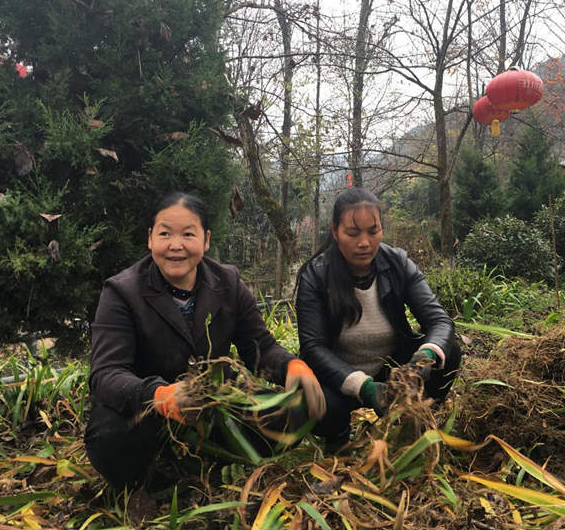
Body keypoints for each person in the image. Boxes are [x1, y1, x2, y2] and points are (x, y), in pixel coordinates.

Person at [85, 192, 326, 491]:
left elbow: (259, 346)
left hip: (213, 407)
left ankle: (207, 459)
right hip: (147, 411)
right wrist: (159, 395)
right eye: (164, 234)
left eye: (188, 234)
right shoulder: (121, 292)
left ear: (206, 239)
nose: (176, 245)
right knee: (110, 441)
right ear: (150, 239)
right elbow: (106, 374)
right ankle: (154, 476)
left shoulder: (228, 282)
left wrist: (292, 364)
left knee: (294, 410)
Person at [295, 187, 460, 442]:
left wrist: (425, 358)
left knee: (449, 353)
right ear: (335, 231)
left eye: (373, 232)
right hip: (338, 379)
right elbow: (313, 347)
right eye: (352, 233)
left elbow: (439, 321)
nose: (364, 242)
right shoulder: (316, 275)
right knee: (319, 404)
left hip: (391, 370)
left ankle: (418, 421)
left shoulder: (398, 264)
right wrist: (364, 387)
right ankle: (338, 437)